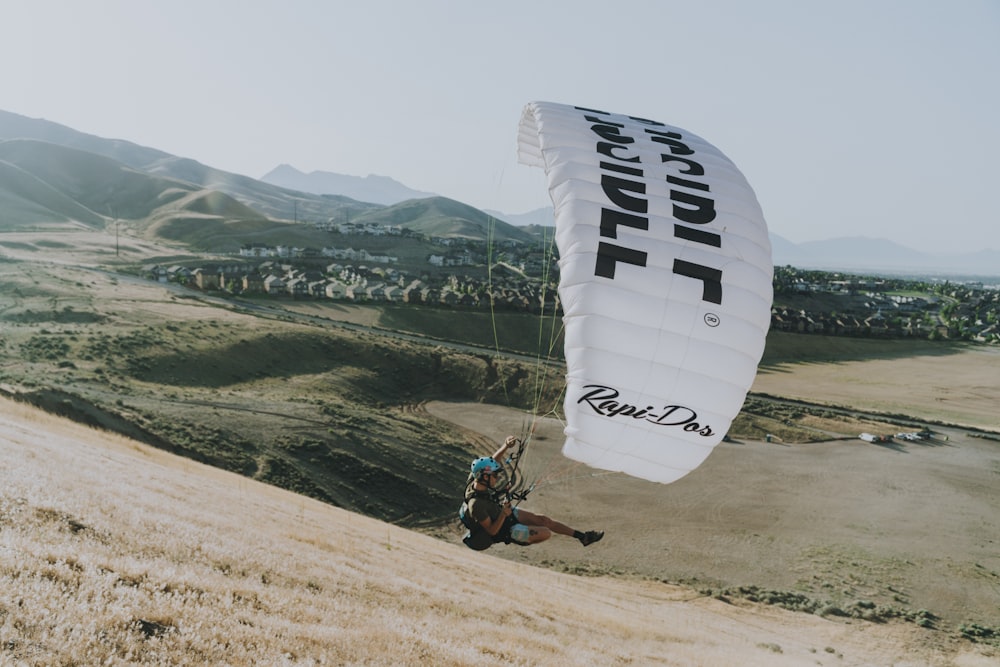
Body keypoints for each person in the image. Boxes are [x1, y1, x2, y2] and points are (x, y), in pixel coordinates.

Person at [460, 435, 604, 550]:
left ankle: (582, 537)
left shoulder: (475, 477)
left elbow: (492, 461)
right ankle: (517, 536)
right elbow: (492, 531)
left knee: (544, 521)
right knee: (545, 533)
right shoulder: (476, 505)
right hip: (503, 529)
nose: (497, 478)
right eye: (495, 475)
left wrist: (505, 446)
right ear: (485, 477)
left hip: (503, 513)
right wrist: (504, 513)